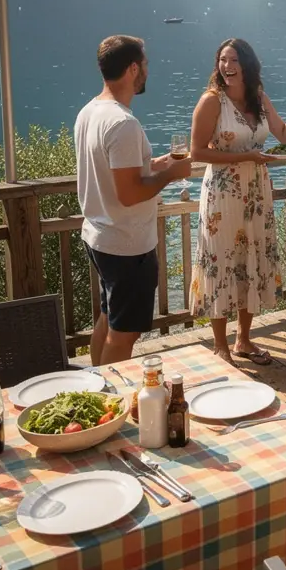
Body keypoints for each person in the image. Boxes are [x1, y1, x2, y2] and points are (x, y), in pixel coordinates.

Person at [189, 39, 286, 364]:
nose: (227, 66)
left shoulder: (258, 97)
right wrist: (246, 156)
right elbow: (197, 152)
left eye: (233, 60)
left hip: (257, 194)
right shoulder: (211, 101)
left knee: (250, 260)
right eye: (222, 60)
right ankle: (220, 344)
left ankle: (243, 340)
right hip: (222, 195)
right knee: (221, 262)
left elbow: (285, 136)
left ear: (246, 64)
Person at [75, 35, 191, 366]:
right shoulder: (123, 123)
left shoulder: (90, 111)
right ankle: (113, 401)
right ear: (133, 68)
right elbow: (129, 194)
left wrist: (155, 165)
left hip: (99, 235)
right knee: (123, 334)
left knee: (108, 318)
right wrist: (172, 174)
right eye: (146, 65)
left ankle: (96, 386)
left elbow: (114, 173)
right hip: (126, 245)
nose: (147, 72)